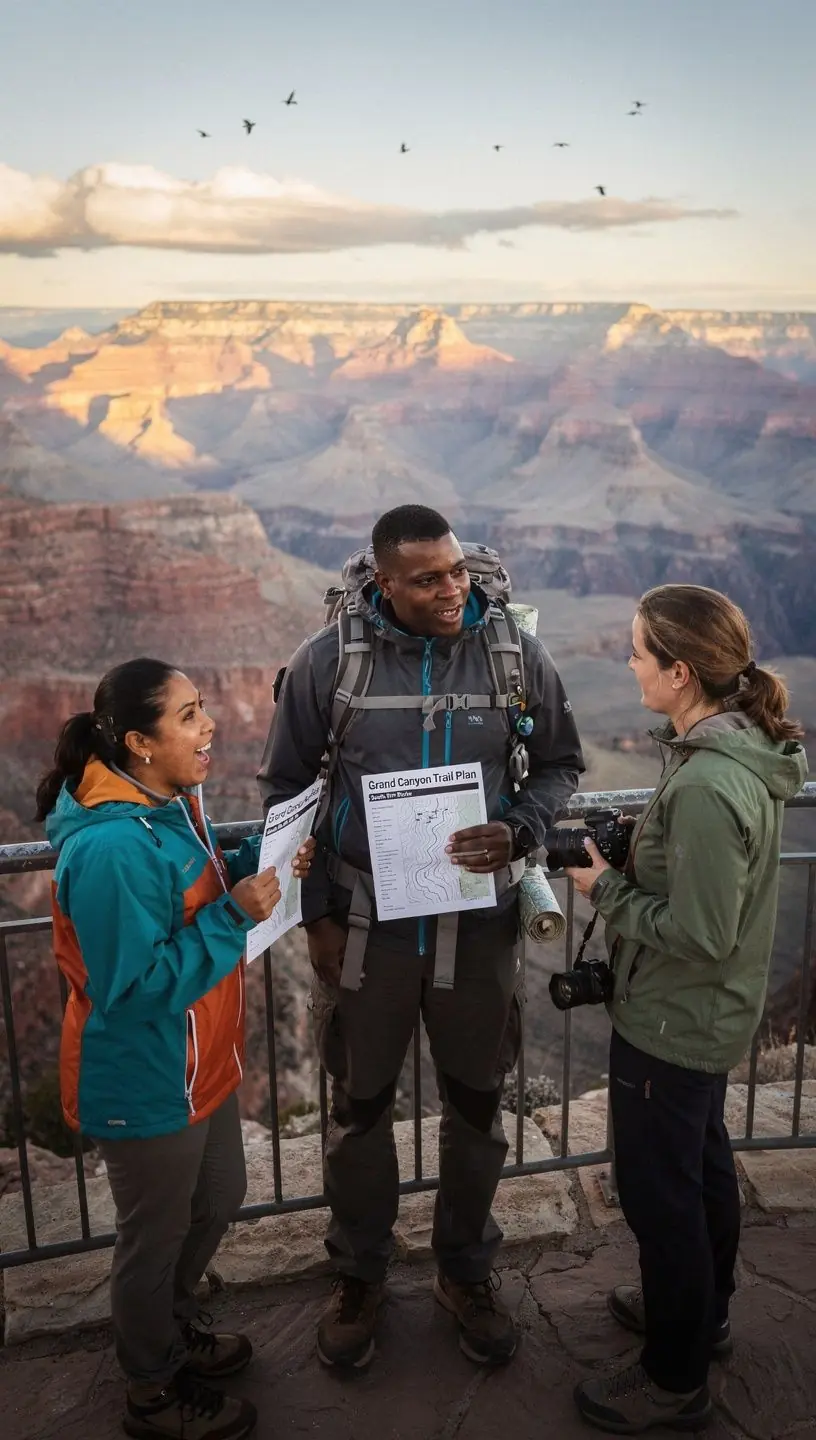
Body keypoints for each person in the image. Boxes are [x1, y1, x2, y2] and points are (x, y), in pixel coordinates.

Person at [258, 504, 584, 1370]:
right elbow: (287, 788)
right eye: (429, 579)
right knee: (359, 1111)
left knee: (477, 1104)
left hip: (477, 929)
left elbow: (559, 766)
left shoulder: (513, 651)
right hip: (369, 931)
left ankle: (465, 1271)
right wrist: (320, 915)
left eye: (457, 572)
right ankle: (360, 1275)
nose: (453, 590)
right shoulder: (329, 663)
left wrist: (518, 829)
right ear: (385, 583)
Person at [37, 657, 314, 1440]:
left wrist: (252, 866)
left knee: (219, 1195)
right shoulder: (111, 850)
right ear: (138, 741)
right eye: (189, 715)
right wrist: (233, 916)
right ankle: (151, 1390)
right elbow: (134, 987)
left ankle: (170, 1321)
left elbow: (186, 890)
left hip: (201, 1064)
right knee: (151, 1240)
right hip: (145, 1075)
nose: (210, 725)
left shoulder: (169, 802)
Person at [564, 585, 807, 1436]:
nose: (626, 664)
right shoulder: (735, 750)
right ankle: (708, 1316)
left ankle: (674, 1378)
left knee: (658, 1195)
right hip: (709, 1014)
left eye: (637, 652)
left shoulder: (707, 785)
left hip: (675, 1017)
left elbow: (700, 932)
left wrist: (609, 889)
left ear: (677, 671)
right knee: (703, 1171)